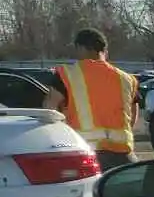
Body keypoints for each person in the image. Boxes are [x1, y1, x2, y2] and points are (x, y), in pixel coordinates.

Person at [43, 28, 141, 171]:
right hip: (123, 155)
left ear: (81, 48)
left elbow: (49, 109)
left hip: (83, 154)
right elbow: (133, 114)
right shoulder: (126, 79)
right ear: (104, 50)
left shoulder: (67, 74)